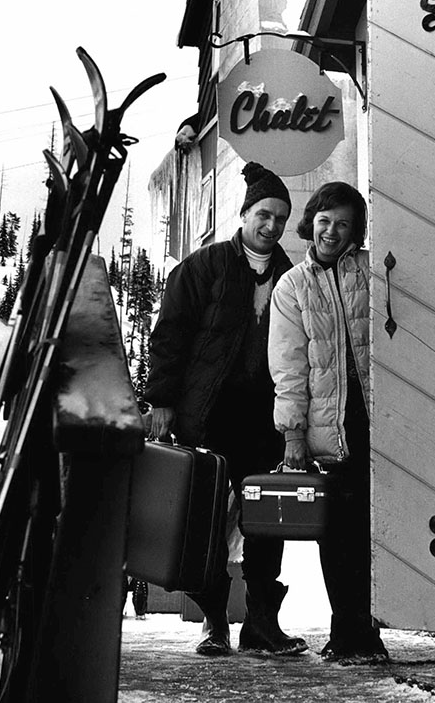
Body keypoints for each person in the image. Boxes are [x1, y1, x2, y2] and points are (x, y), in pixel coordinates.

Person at [145, 161, 307, 658]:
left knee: (266, 521)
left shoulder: (291, 276)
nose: (271, 225)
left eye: (280, 218)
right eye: (263, 214)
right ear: (243, 215)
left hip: (266, 420)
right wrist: (162, 401)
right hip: (209, 415)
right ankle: (214, 622)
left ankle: (261, 624)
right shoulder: (203, 267)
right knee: (208, 523)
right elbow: (170, 335)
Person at [267, 181, 389, 665]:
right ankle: (347, 634)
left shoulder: (374, 271)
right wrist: (293, 432)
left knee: (375, 533)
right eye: (324, 220)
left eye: (342, 223)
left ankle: (370, 631)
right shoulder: (292, 286)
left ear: (355, 229)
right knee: (339, 536)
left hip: (379, 424)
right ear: (310, 222)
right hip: (330, 427)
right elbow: (289, 366)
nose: (331, 232)